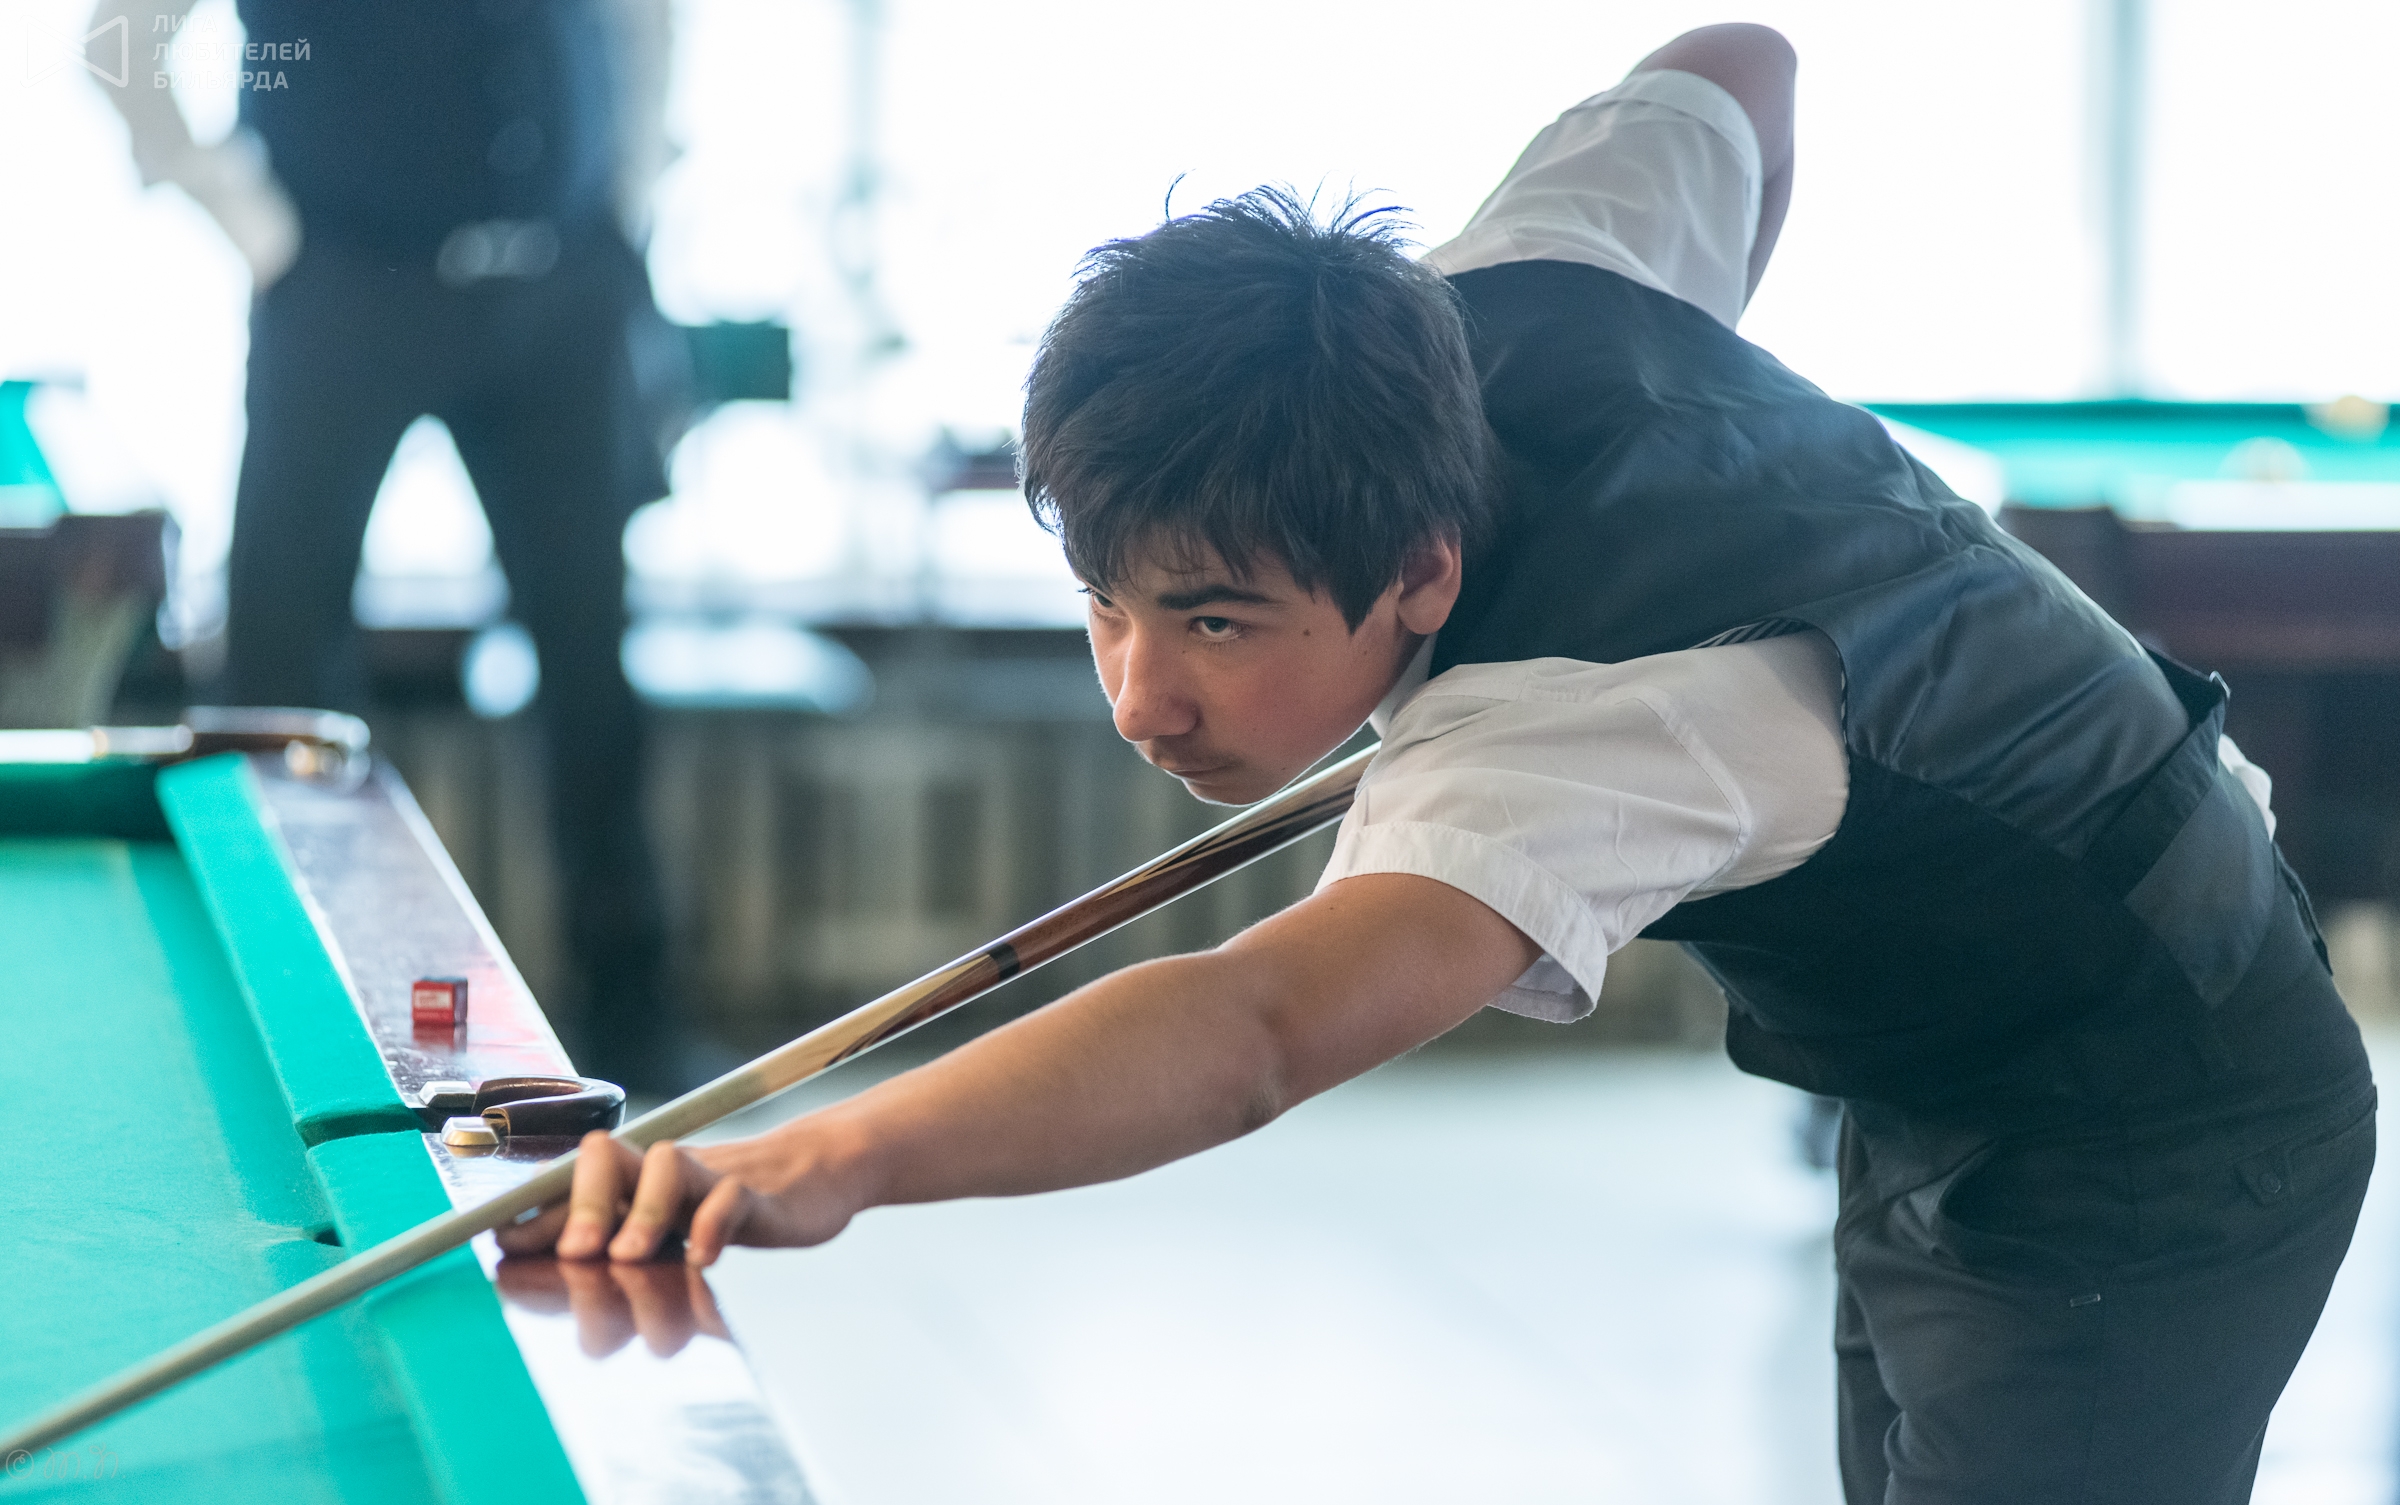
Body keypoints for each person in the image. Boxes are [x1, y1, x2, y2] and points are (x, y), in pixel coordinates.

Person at [502, 24, 2373, 1503]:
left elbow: (1251, 1032)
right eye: (1106, 604)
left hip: (2159, 1101)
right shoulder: (1514, 280)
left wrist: (828, 1155)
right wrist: (1703, 395)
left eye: (1217, 622)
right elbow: (1739, 64)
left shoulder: (1593, 724)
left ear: (1422, 570)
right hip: (1949, 1047)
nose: (1141, 699)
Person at [99, 0, 690, 1092]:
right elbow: (123, 35)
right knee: (276, 661)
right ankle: (271, 996)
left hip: (565, 288)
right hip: (340, 290)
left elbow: (641, 17)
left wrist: (626, 196)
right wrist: (257, 227)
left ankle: (632, 1018)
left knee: (591, 662)